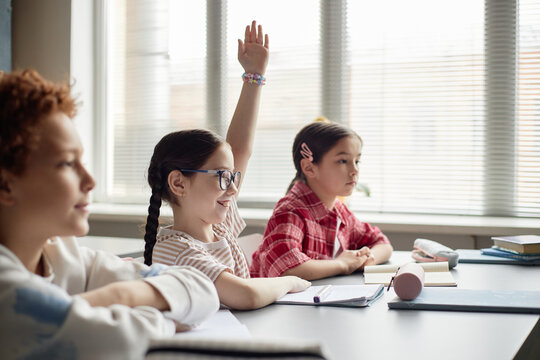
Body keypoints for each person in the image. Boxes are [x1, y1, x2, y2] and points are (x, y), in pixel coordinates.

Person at [0, 69, 219, 359]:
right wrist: (160, 312)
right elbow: (116, 343)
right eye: (67, 163)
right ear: (6, 184)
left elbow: (200, 288)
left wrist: (116, 297)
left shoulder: (65, 256)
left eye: (83, 161)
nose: (90, 180)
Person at [143, 21, 310, 310]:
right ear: (179, 183)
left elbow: (240, 149)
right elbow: (245, 295)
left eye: (232, 177)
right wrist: (290, 281)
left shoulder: (218, 227)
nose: (233, 189)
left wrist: (254, 76)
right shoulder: (175, 249)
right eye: (222, 177)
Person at [250, 121, 394, 280]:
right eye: (342, 161)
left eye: (357, 161)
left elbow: (382, 243)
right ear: (309, 168)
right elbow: (287, 269)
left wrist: (366, 258)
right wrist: (342, 264)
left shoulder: (338, 210)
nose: (355, 171)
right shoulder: (290, 211)